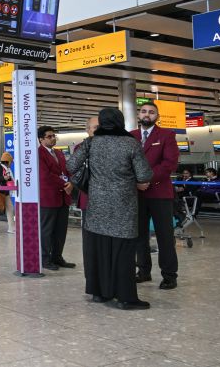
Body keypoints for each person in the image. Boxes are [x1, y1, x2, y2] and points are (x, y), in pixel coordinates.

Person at [68, 108, 153, 310]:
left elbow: (71, 165)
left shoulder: (91, 143)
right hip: (123, 204)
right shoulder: (130, 143)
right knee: (123, 251)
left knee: (100, 248)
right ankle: (125, 298)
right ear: (120, 121)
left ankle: (99, 293)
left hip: (97, 203)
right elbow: (144, 175)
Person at [130, 101, 180, 290]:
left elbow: (169, 164)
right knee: (139, 235)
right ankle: (143, 271)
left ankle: (169, 275)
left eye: (151, 112)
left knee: (164, 236)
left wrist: (147, 180)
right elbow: (126, 163)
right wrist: (136, 182)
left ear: (156, 116)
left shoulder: (167, 135)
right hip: (137, 194)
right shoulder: (131, 136)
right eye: (144, 111)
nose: (147, 114)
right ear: (139, 114)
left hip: (159, 193)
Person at [38, 125, 75, 271]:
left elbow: (68, 170)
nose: (53, 138)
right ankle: (45, 259)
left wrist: (71, 183)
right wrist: (65, 183)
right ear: (41, 139)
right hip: (48, 197)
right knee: (47, 230)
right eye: (49, 136)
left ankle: (57, 257)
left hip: (63, 197)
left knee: (61, 230)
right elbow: (45, 175)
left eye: (54, 136)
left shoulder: (59, 153)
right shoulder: (38, 154)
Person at [74, 116, 100, 215]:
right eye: (96, 127)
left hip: (110, 199)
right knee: (88, 229)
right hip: (89, 196)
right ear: (88, 130)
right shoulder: (80, 148)